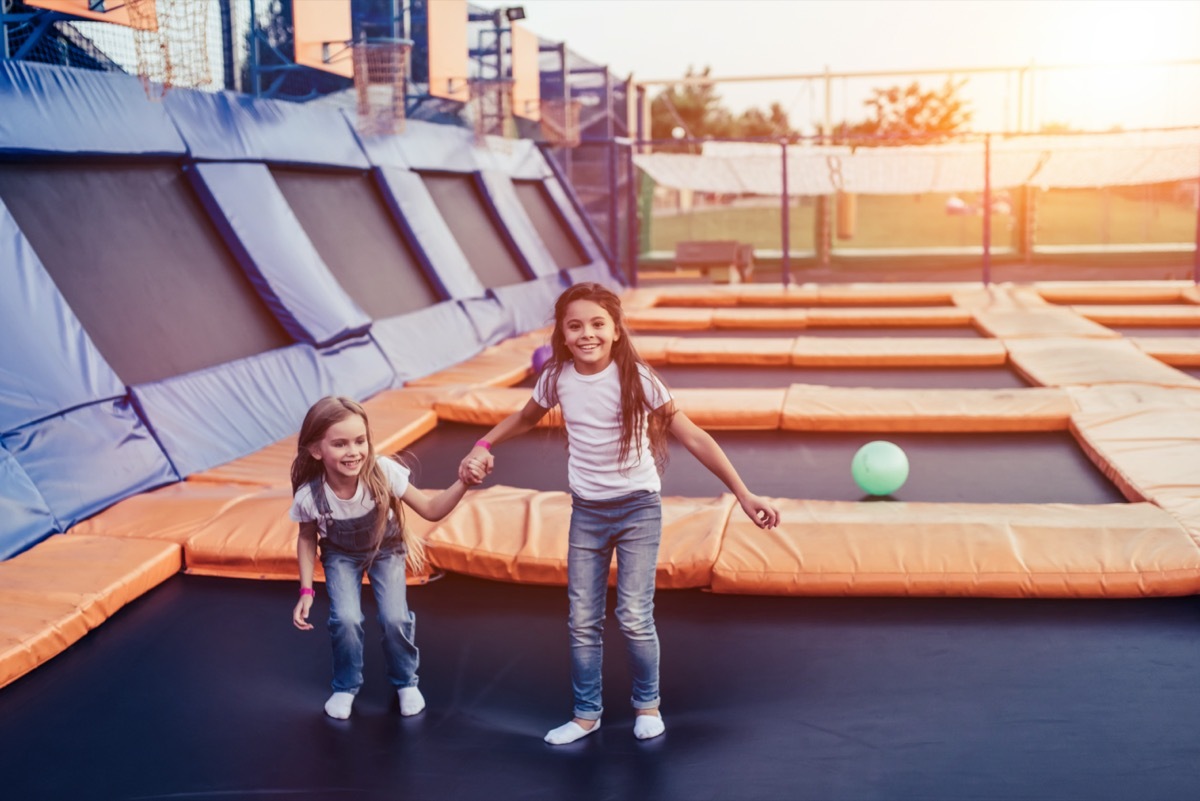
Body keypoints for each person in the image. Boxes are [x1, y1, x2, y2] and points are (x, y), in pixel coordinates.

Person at [457, 282, 780, 744]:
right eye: (575, 326)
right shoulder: (557, 377)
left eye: (596, 324)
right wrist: (483, 443)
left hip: (638, 509)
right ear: (563, 335)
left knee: (632, 613)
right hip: (587, 512)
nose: (586, 333)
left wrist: (744, 493)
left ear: (614, 330)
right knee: (582, 618)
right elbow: (526, 417)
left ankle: (647, 706)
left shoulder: (639, 378)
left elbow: (694, 436)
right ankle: (586, 714)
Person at [291, 396, 481, 720]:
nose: (353, 452)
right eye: (340, 444)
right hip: (340, 555)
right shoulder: (310, 494)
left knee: (395, 619)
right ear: (315, 450)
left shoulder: (383, 471)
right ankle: (345, 686)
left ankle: (406, 681)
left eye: (360, 440)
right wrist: (306, 591)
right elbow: (307, 537)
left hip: (386, 548)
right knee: (346, 620)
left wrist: (463, 483)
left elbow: (432, 510)